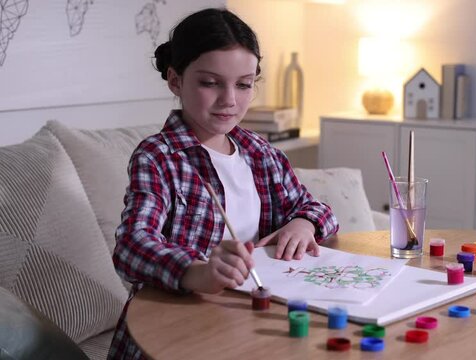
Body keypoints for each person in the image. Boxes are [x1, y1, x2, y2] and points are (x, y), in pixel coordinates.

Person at [108, 8, 338, 359]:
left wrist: (304, 223)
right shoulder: (158, 156)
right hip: (174, 331)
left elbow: (316, 208)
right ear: (175, 80)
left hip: (252, 322)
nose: (229, 100)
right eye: (210, 82)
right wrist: (198, 272)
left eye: (244, 84)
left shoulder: (261, 153)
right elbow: (132, 246)